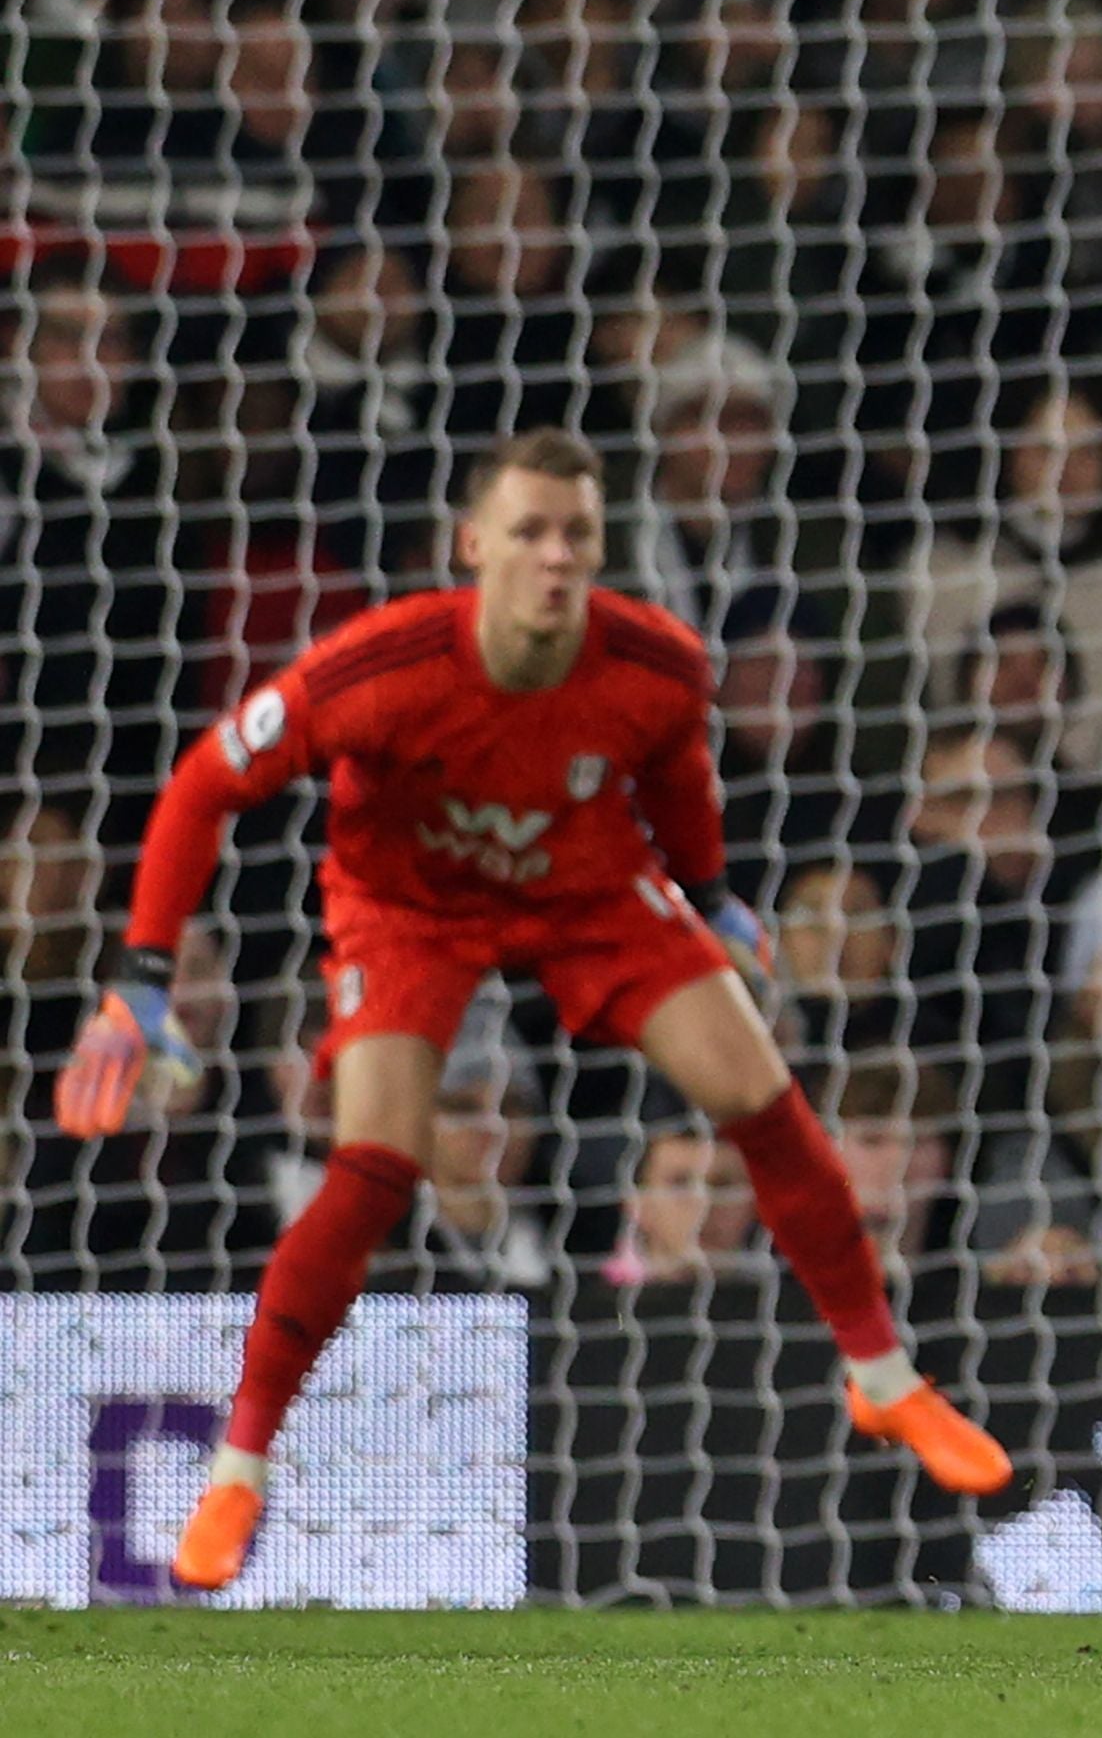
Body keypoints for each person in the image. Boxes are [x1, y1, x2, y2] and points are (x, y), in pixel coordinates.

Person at [53, 428, 1010, 1593]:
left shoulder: (654, 661)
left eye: (577, 535)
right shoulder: (379, 667)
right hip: (407, 908)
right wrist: (142, 974)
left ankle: (885, 1379)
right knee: (373, 1168)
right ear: (473, 545)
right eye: (530, 532)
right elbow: (204, 784)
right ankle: (241, 1466)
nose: (556, 557)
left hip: (584, 891)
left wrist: (712, 897)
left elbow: (678, 778)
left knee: (761, 1093)